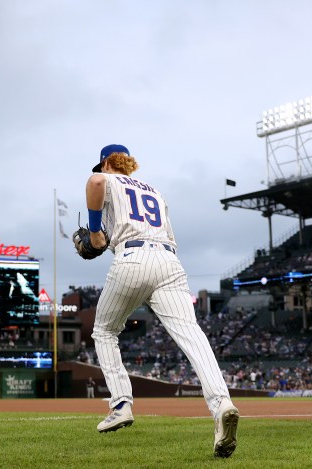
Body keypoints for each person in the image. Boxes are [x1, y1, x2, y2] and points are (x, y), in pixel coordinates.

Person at [83, 144, 239, 458]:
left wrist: (96, 232)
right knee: (192, 335)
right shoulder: (154, 191)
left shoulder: (106, 178)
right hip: (169, 262)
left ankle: (121, 404)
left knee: (104, 332)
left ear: (105, 162)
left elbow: (95, 183)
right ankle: (222, 403)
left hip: (133, 257)